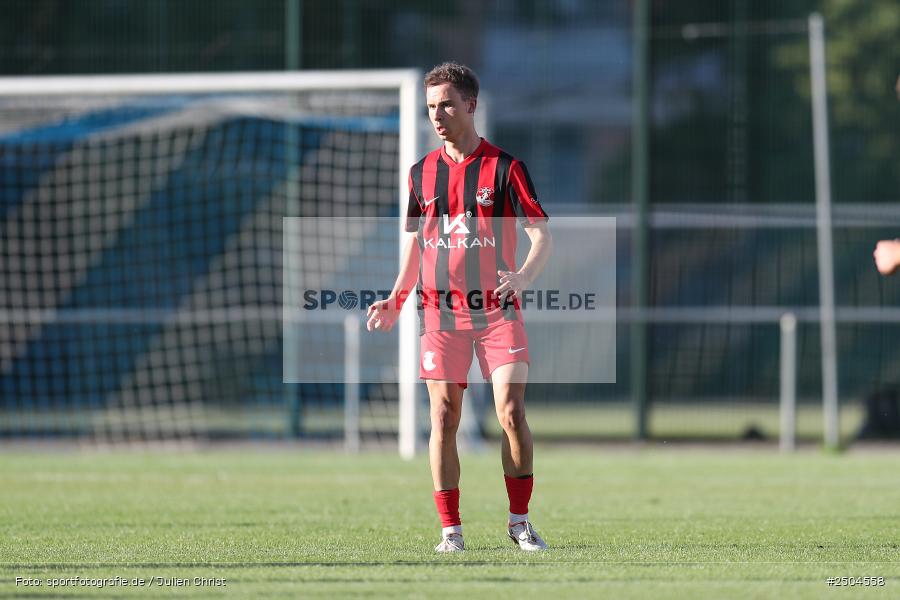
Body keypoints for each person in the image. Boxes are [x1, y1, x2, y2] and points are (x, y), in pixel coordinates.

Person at [366, 62, 553, 552]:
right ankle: (451, 532)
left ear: (471, 104)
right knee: (444, 416)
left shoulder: (507, 168)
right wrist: (396, 298)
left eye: (446, 104)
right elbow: (415, 245)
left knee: (511, 413)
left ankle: (519, 522)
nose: (437, 115)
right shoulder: (420, 174)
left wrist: (524, 277)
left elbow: (541, 235)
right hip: (440, 315)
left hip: (498, 313)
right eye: (431, 107)